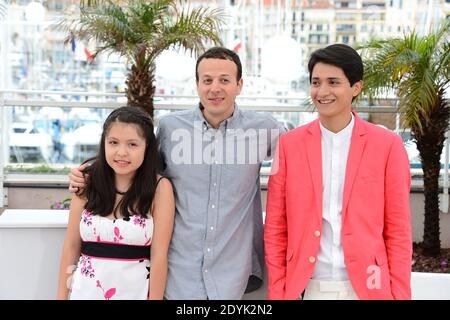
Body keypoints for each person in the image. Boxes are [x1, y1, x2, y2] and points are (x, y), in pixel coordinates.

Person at [68, 47, 285, 299]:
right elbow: (137, 170)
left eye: (224, 80)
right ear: (197, 84)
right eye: (207, 80)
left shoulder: (264, 129)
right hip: (178, 274)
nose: (215, 88)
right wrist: (89, 175)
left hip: (233, 275)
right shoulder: (171, 128)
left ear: (239, 85)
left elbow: (305, 154)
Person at [264, 44, 412, 300]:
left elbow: (398, 231)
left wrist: (400, 296)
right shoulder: (289, 145)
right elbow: (276, 227)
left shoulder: (387, 146)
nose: (322, 92)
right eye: (315, 82)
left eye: (333, 82)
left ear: (356, 87)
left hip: (369, 287)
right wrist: (278, 293)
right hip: (308, 287)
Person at [58, 106, 175, 300]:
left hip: (135, 293)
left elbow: (160, 255)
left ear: (147, 148)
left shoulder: (160, 189)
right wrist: (62, 297)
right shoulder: (86, 182)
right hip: (84, 293)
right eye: (113, 142)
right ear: (104, 143)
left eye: (132, 144)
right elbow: (71, 246)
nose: (121, 152)